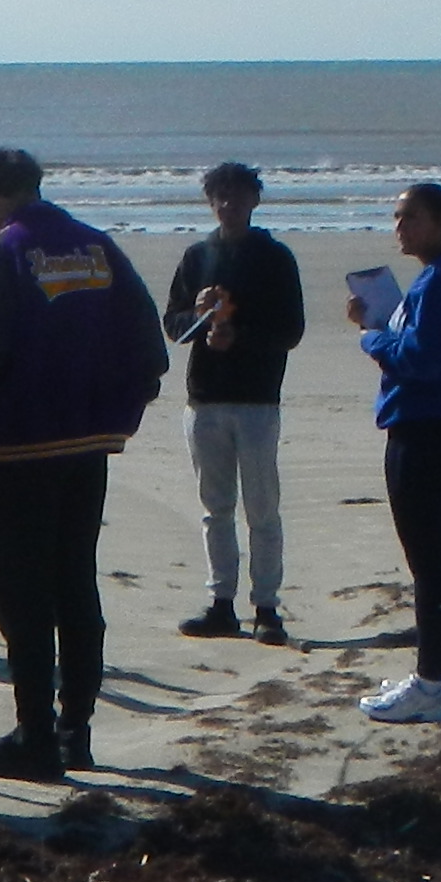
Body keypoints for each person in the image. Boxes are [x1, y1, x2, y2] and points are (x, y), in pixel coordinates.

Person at [0, 143, 169, 782]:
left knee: (21, 593)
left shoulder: (3, 252)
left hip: (19, 446)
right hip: (87, 446)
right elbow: (148, 344)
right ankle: (75, 730)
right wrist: (118, 409)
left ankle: (35, 735)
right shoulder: (98, 247)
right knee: (74, 582)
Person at [347, 180, 441, 722]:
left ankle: (434, 680)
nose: (399, 227)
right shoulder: (438, 277)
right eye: (396, 217)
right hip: (431, 422)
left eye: (409, 217)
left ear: (439, 221)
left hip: (430, 425)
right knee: (433, 556)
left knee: (429, 558)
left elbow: (421, 357)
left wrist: (372, 335)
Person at [161, 159, 307, 644]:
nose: (228, 205)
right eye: (220, 197)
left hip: (257, 398)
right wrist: (198, 319)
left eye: (238, 196)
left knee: (262, 507)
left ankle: (267, 606)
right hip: (205, 397)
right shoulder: (197, 256)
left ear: (254, 201)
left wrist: (237, 336)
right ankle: (221, 602)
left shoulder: (274, 258)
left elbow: (291, 330)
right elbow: (174, 324)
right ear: (211, 202)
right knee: (214, 507)